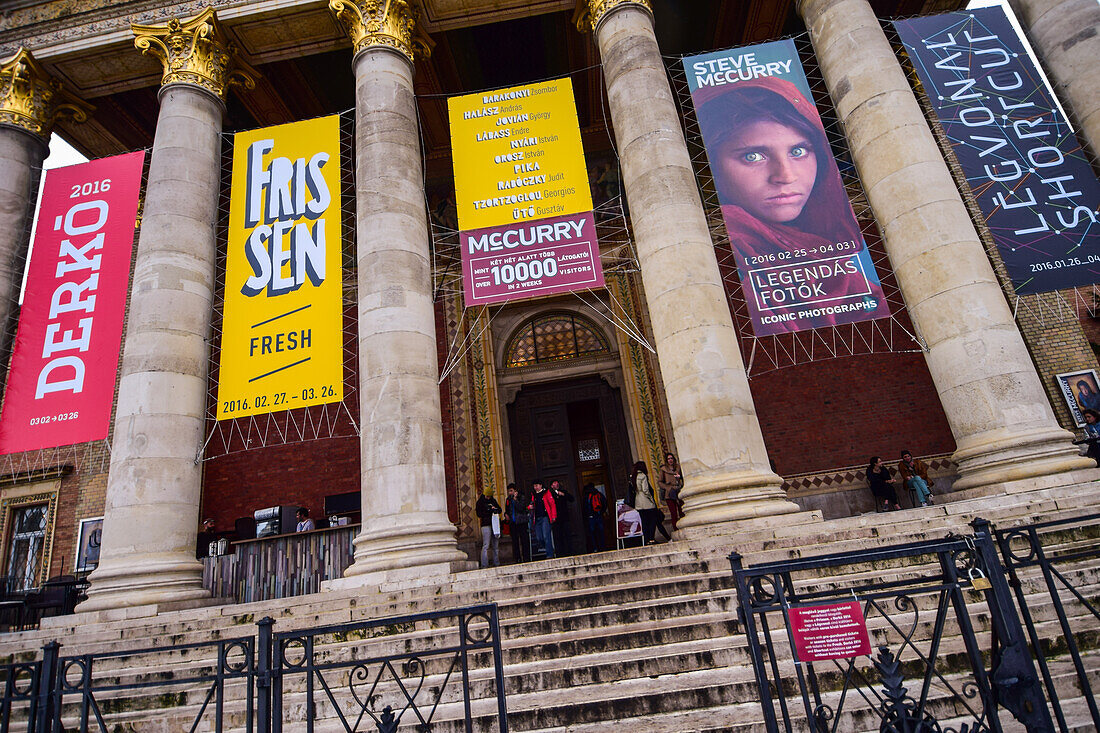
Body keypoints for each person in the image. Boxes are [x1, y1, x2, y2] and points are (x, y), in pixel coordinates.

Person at [694, 77, 890, 333]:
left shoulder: (836, 257)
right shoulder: (719, 265)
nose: (785, 176)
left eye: (798, 151)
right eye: (752, 156)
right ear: (711, 166)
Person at [628, 461, 664, 545]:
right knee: (652, 520)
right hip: (646, 502)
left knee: (644, 522)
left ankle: (646, 540)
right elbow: (645, 490)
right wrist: (652, 500)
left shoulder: (633, 477)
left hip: (638, 503)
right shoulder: (642, 476)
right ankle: (651, 539)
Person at [528, 480, 557, 559]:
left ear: (541, 485)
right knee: (539, 537)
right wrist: (529, 507)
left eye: (537, 485)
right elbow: (531, 505)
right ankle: (549, 548)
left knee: (546, 536)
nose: (535, 487)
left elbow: (552, 504)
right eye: (534, 486)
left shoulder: (546, 493)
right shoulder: (533, 495)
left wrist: (553, 516)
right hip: (537, 518)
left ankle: (549, 554)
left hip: (545, 517)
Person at [475, 487, 502, 568]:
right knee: (486, 545)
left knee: (495, 545)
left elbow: (499, 509)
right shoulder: (480, 502)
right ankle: (484, 564)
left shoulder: (493, 501)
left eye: (489, 496)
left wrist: (494, 509)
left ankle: (496, 562)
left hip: (494, 525)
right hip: (485, 525)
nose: (488, 498)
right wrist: (489, 510)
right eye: (487, 496)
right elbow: (479, 514)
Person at [504, 482, 530, 563]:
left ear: (515, 491)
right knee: (515, 541)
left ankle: (526, 557)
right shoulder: (508, 500)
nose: (510, 493)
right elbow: (507, 510)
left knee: (524, 540)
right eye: (509, 491)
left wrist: (515, 500)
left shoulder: (521, 497)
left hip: (521, 522)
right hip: (513, 523)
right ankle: (517, 558)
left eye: (511, 491)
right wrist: (506, 514)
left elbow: (521, 508)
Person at [657, 452, 684, 529]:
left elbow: (682, 477)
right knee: (673, 512)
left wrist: (681, 482)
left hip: (678, 490)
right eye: (668, 459)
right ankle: (675, 528)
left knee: (681, 510)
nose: (670, 460)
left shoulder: (678, 468)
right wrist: (667, 487)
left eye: (671, 458)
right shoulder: (663, 469)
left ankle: (683, 526)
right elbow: (659, 482)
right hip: (669, 493)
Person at [549, 479, 574, 557]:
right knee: (558, 536)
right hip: (556, 519)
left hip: (564, 517)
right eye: (554, 483)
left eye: (557, 483)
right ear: (551, 486)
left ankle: (569, 551)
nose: (556, 484)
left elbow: (572, 499)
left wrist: (563, 494)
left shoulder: (563, 492)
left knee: (567, 535)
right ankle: (560, 553)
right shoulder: (550, 494)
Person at [582, 483, 607, 553]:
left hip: (590, 517)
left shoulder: (586, 495)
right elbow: (604, 503)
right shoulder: (598, 493)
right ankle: (602, 547)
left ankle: (594, 548)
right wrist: (602, 512)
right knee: (601, 532)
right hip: (598, 515)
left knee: (592, 534)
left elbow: (584, 507)